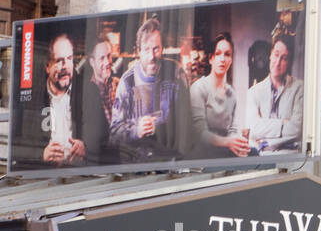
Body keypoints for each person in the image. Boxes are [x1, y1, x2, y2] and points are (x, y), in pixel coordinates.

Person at [110, 17, 192, 162]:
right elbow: (114, 133)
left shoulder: (176, 74)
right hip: (137, 166)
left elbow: (187, 123)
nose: (152, 56)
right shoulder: (126, 82)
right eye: (146, 50)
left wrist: (159, 127)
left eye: (156, 49)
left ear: (163, 49)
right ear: (138, 51)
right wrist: (137, 130)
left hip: (170, 163)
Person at [17, 32, 86, 168]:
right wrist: (42, 154)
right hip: (42, 175)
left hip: (78, 174)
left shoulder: (85, 92)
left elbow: (104, 136)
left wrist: (85, 147)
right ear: (47, 66)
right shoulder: (31, 99)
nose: (65, 66)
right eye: (59, 60)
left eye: (69, 58)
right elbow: (15, 146)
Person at [190, 33, 249, 158]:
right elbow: (200, 134)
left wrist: (238, 145)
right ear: (211, 58)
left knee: (252, 153)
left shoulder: (231, 94)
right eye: (218, 54)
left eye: (227, 54)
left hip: (223, 153)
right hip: (201, 154)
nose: (222, 59)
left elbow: (232, 130)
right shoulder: (198, 88)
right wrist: (228, 142)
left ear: (231, 60)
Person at [245, 36, 303, 153]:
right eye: (276, 55)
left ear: (289, 62)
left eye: (284, 58)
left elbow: (297, 129)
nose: (278, 62)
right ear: (270, 56)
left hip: (290, 156)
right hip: (263, 159)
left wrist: (267, 142)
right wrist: (283, 123)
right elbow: (253, 129)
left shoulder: (299, 88)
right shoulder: (253, 92)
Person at [79, 33, 117, 166]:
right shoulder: (86, 93)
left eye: (109, 56)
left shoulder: (118, 86)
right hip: (98, 164)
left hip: (121, 161)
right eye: (102, 58)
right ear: (92, 62)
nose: (107, 62)